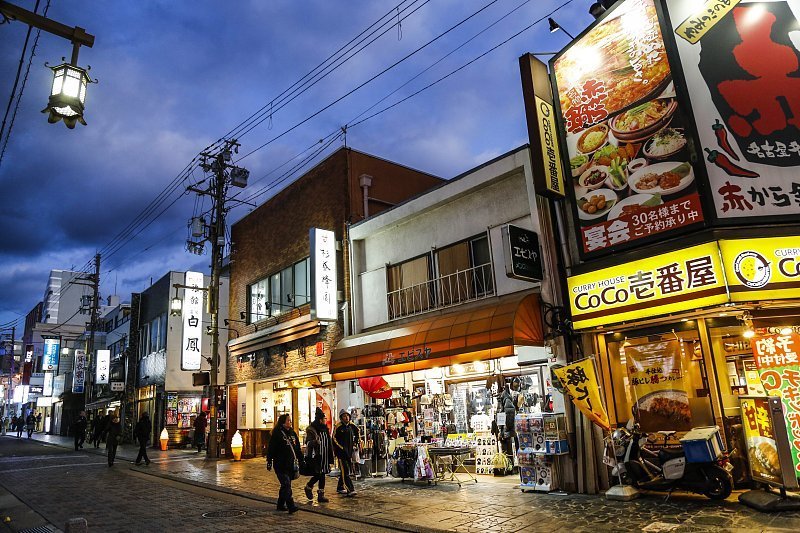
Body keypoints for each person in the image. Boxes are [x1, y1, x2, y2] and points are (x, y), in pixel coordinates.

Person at [266, 413, 303, 514]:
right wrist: (269, 461)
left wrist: (301, 459)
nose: (290, 422)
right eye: (288, 420)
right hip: (280, 464)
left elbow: (297, 448)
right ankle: (291, 505)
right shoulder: (277, 434)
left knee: (285, 485)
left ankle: (280, 504)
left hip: (291, 464)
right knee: (286, 484)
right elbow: (271, 448)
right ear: (283, 422)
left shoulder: (292, 433)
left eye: (290, 420)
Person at [303, 407, 334, 503]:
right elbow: (307, 443)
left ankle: (321, 495)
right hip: (316, 456)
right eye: (324, 419)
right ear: (320, 420)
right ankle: (309, 486)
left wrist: (330, 454)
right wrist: (314, 442)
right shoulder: (312, 429)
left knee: (323, 473)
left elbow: (328, 442)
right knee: (318, 474)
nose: (325, 420)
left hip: (324, 455)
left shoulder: (325, 429)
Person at [332, 409, 360, 496]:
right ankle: (350, 489)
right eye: (344, 416)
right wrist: (341, 448)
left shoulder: (352, 426)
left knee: (344, 471)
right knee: (346, 470)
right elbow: (334, 438)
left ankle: (340, 487)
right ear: (341, 418)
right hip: (341, 453)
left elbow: (357, 432)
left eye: (347, 415)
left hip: (349, 452)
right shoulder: (338, 427)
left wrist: (355, 443)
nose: (346, 417)